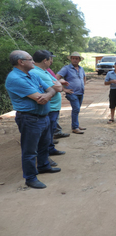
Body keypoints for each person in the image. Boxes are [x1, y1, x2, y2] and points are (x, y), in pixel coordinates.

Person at [5, 50, 61, 189]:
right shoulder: (15, 79)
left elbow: (52, 90)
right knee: (30, 150)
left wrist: (48, 94)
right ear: (21, 62)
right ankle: (30, 178)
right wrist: (49, 93)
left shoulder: (33, 75)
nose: (33, 62)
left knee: (44, 144)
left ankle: (43, 166)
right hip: (30, 119)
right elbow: (40, 98)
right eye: (30, 59)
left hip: (43, 116)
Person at [31, 50, 66, 160]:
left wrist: (58, 84)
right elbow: (58, 87)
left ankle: (50, 149)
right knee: (46, 134)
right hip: (49, 108)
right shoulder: (38, 72)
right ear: (45, 60)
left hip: (53, 107)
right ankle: (45, 157)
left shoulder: (44, 71)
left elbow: (57, 84)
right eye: (50, 59)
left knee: (50, 131)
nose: (51, 61)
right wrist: (58, 84)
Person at [56, 52, 86, 134]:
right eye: (73, 58)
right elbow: (56, 78)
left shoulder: (81, 68)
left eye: (76, 58)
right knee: (76, 108)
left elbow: (84, 77)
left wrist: (83, 85)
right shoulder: (66, 68)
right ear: (71, 59)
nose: (74, 60)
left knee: (77, 109)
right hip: (72, 93)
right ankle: (75, 127)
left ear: (79, 60)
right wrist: (64, 89)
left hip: (80, 92)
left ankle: (76, 124)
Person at [46, 51, 70, 140]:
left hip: (54, 104)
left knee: (53, 121)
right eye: (50, 58)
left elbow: (54, 82)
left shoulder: (48, 70)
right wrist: (60, 84)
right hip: (50, 104)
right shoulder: (43, 71)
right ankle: (49, 141)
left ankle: (53, 137)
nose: (51, 61)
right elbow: (56, 85)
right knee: (50, 122)